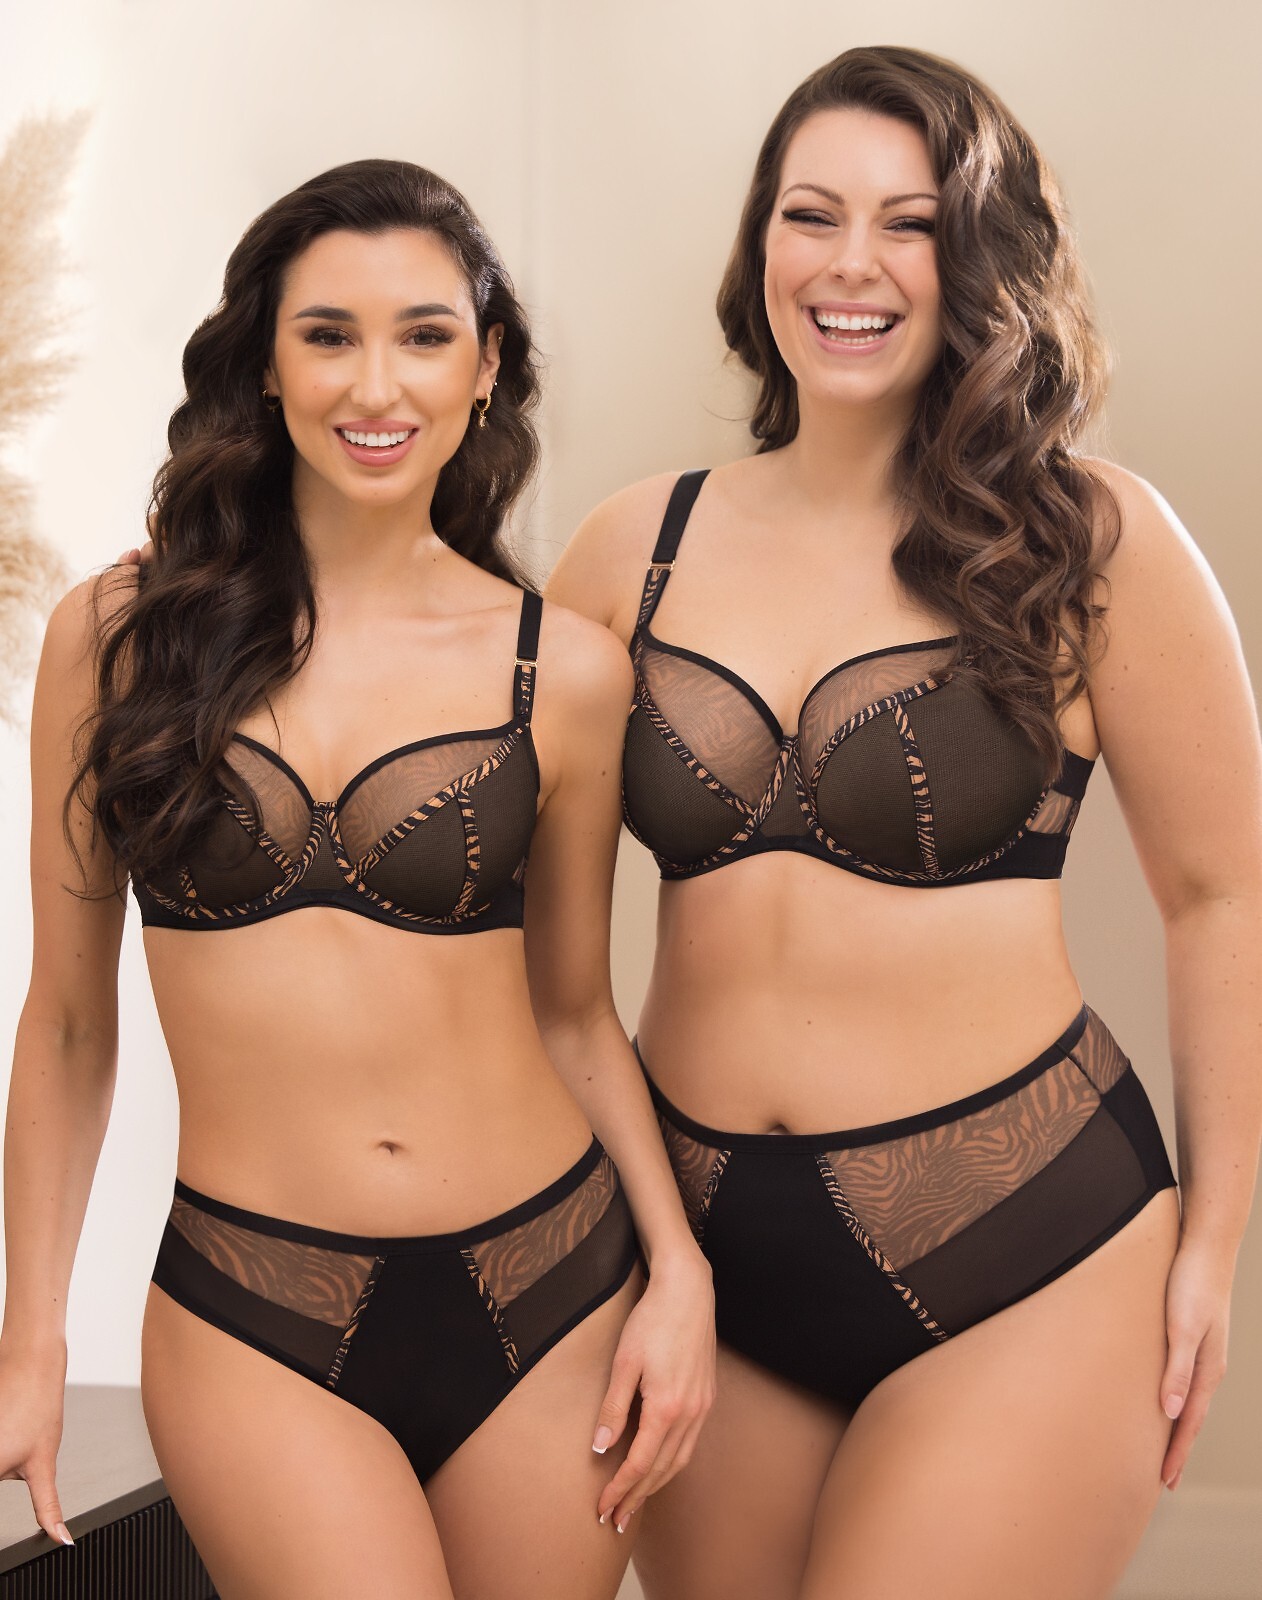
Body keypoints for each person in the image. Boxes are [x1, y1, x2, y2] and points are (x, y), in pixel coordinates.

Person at [549, 46, 1261, 1600]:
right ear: (759, 246)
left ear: (977, 257)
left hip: (1025, 1238)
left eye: (909, 223)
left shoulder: (1090, 543)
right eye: (810, 215)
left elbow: (1223, 898)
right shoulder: (628, 550)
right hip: (695, 1253)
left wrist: (1211, 1246)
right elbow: (512, 926)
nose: (850, 264)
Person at [0, 159, 713, 1600]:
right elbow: (70, 1024)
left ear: (484, 366)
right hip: (253, 1303)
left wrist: (678, 1271)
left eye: (423, 335)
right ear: (264, 362)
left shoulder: (564, 671)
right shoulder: (122, 640)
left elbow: (576, 1013)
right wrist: (31, 1339)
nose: (373, 385)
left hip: (554, 1284)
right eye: (328, 334)